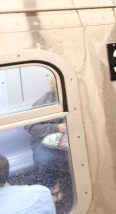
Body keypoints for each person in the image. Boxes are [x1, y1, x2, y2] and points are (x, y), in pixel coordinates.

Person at [25, 78, 71, 206]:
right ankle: (52, 185)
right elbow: (30, 127)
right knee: (44, 158)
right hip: (45, 140)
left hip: (70, 138)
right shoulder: (44, 101)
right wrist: (56, 128)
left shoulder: (75, 97)